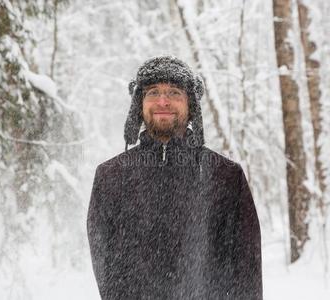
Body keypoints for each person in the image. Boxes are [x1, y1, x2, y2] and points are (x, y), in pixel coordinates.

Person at [87, 56, 262, 299]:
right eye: (152, 92)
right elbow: (106, 271)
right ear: (139, 104)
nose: (163, 101)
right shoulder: (111, 176)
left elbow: (246, 274)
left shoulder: (225, 176)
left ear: (191, 105)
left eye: (174, 92)